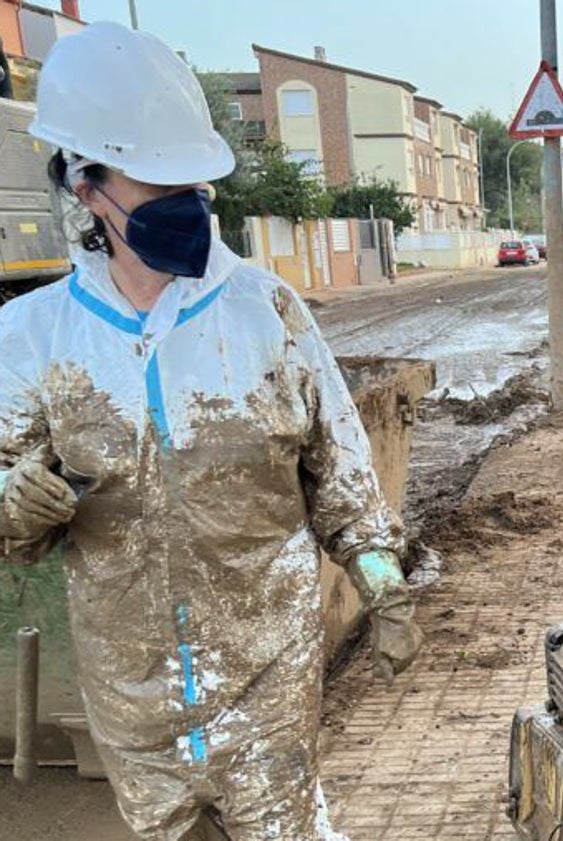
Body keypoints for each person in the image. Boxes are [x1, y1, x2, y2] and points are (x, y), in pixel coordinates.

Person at [0, 22, 422, 841]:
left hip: (268, 668)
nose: (187, 207)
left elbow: (341, 476)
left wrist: (383, 581)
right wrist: (18, 499)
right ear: (87, 186)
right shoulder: (35, 339)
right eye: (158, 188)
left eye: (194, 183)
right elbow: (5, 518)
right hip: (132, 691)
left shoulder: (267, 311)